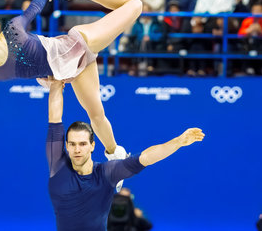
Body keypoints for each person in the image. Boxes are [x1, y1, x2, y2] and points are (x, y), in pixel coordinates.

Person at [0, 0, 142, 160]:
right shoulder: (2, 70)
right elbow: (34, 68)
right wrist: (47, 78)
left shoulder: (13, 30)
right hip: (70, 70)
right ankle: (115, 154)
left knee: (135, 4)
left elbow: (34, 8)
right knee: (96, 115)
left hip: (75, 45)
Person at [45, 80, 204, 231]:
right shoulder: (58, 167)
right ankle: (115, 151)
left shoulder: (105, 173)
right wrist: (55, 84)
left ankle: (114, 151)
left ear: (92, 146)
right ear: (66, 146)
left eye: (82, 144)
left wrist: (178, 141)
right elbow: (54, 120)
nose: (77, 149)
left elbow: (146, 158)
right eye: (72, 144)